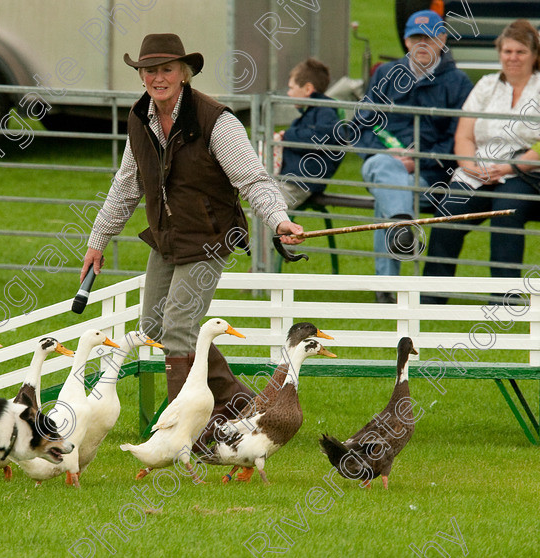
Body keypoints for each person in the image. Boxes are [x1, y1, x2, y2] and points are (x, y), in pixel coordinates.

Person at [79, 33, 303, 450]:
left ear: (184, 73)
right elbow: (126, 185)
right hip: (167, 238)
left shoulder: (216, 120)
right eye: (150, 70)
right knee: (153, 326)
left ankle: (186, 438)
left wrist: (278, 220)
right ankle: (238, 404)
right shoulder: (140, 119)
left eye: (167, 69)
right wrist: (98, 239)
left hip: (211, 236)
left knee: (179, 331)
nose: (157, 77)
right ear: (141, 75)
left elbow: (252, 178)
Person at [353, 10, 473, 303]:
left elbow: (459, 138)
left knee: (390, 188)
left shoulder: (458, 82)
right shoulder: (385, 74)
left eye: (429, 38)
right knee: (384, 167)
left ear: (442, 40)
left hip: (430, 174)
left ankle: (386, 286)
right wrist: (388, 151)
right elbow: (361, 126)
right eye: (415, 37)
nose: (422, 44)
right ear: (406, 41)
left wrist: (421, 158)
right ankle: (402, 225)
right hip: (383, 161)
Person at [423, 20, 540, 299]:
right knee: (448, 213)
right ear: (499, 53)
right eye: (507, 51)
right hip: (477, 171)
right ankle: (430, 296)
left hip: (525, 172)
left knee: (506, 212)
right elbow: (463, 134)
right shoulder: (486, 85)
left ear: (535, 55)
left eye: (520, 52)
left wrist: (513, 165)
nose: (512, 58)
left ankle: (503, 297)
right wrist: (469, 166)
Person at [276, 58, 343, 210]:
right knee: (263, 206)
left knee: (271, 210)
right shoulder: (311, 113)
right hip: (294, 179)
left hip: (301, 182)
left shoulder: (325, 112)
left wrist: (287, 135)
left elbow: (319, 139)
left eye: (291, 88)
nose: (289, 93)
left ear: (307, 89)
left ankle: (266, 234)